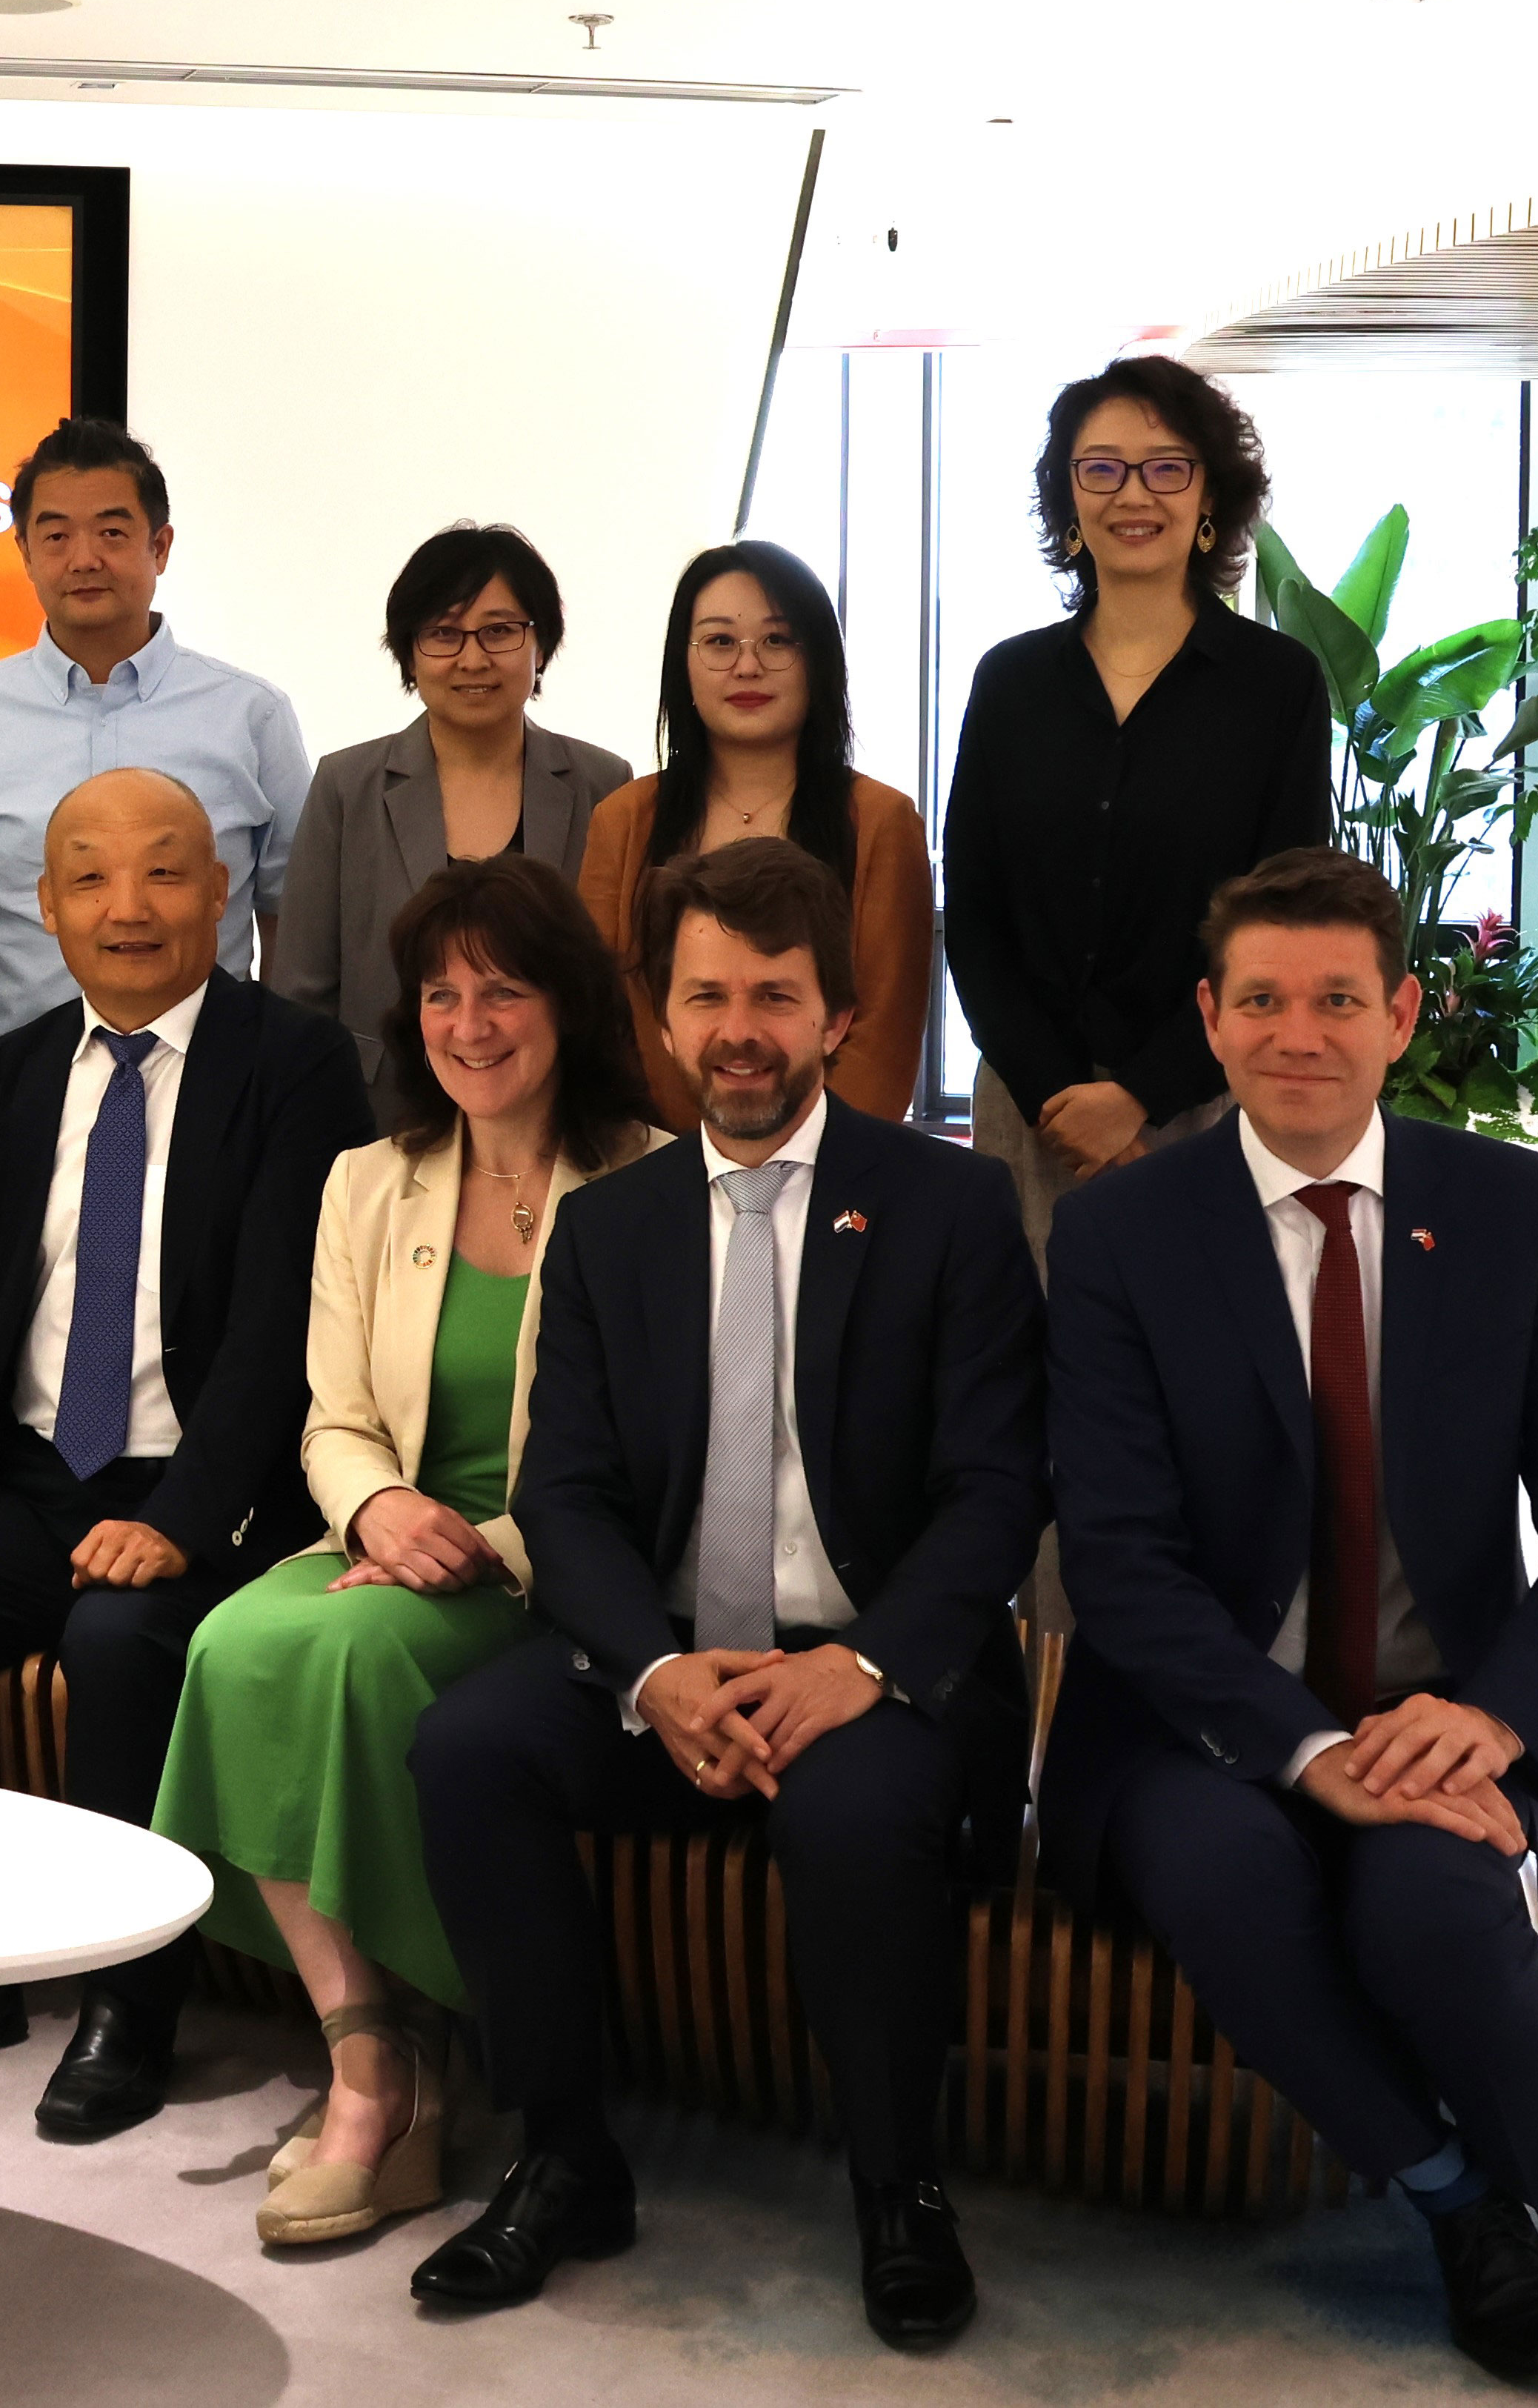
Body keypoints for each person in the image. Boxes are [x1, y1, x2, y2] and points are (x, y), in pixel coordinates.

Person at [1042, 850, 1538, 2388]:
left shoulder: (1506, 1209)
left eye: (1336, 1000)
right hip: (1193, 1723)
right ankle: (1458, 2204)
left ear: (1402, 1014)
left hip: (1439, 1710)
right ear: (1208, 1019)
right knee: (1229, 1878)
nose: (1297, 1034)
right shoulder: (1119, 1234)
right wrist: (1306, 1750)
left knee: (1428, 1908)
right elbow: (1117, 1560)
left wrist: (1497, 1717)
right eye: (1261, 1000)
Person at [407, 836, 1045, 2352]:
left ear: (840, 1015)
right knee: (468, 1749)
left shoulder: (950, 1205)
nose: (737, 1030)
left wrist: (862, 1667)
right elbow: (562, 1491)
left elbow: (999, 1488)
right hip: (674, 1658)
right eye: (706, 996)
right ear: (661, 1012)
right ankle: (565, 2152)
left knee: (849, 1809)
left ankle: (899, 2186)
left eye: (773, 994)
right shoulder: (612, 1224)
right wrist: (653, 1672)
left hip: (876, 1668)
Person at [0, 768, 370, 2136]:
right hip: (38, 1477)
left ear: (221, 893)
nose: (130, 907)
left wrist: (182, 1516)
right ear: (45, 905)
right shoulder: (9, 1071)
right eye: (92, 878)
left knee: (120, 1641)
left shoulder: (293, 1063)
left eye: (166, 871)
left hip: (209, 1490)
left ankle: (131, 2002)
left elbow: (280, 1327)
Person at [155, 853, 663, 2247]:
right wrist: (378, 1510)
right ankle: (373, 2055)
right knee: (233, 1642)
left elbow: (652, 1454)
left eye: (502, 992)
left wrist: (483, 1544)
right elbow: (333, 1418)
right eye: (441, 995)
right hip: (381, 1538)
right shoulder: (367, 1182)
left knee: (349, 1651)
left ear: (566, 1004)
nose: (469, 1025)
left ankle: (405, 2074)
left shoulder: (651, 1180)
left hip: (557, 1560)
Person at [943, 356, 1328, 1254]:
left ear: (1209, 497)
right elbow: (976, 915)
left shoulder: (1277, 687)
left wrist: (1139, 1096)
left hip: (1208, 1102)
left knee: (1195, 1334)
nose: (1133, 493)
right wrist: (1059, 1097)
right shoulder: (1010, 684)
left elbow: (1282, 914)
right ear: (1070, 499)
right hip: (1033, 1113)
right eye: (1102, 468)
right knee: (1021, 1334)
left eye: (1166, 467)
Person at [0, 419, 310, 1040]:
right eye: (56, 536)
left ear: (160, 546)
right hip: (9, 1079)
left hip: (207, 1076)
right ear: (26, 554)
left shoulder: (252, 715)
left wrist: (273, 1069)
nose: (84, 559)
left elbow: (289, 917)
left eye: (112, 533)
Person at [267, 523, 634, 1094]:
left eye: (499, 632)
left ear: (541, 645)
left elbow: (616, 980)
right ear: (409, 654)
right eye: (443, 634)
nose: (473, 658)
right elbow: (302, 988)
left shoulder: (603, 783)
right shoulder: (345, 785)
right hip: (379, 1107)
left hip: (557, 1103)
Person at [576, 539, 928, 1131]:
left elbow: (884, 1039)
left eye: (777, 640)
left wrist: (788, 1157)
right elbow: (599, 1016)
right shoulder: (624, 819)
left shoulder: (881, 822)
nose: (747, 666)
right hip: (653, 1157)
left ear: (819, 659)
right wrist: (693, 1156)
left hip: (831, 1162)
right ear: (682, 663)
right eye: (719, 641)